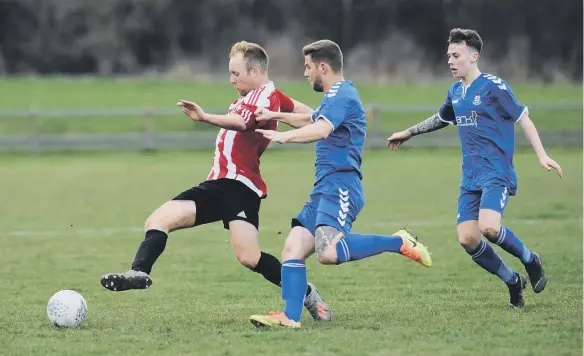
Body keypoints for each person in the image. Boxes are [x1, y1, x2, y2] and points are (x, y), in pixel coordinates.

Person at [100, 41, 332, 322]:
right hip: (219, 185)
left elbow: (243, 123)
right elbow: (310, 115)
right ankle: (139, 273)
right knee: (159, 220)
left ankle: (305, 292)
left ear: (255, 70)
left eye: (235, 73)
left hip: (239, 187)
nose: (231, 79)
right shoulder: (265, 97)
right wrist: (316, 118)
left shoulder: (264, 97)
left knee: (249, 257)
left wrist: (206, 117)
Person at [248, 39, 432, 329]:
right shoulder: (334, 96)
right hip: (323, 187)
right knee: (293, 247)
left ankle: (399, 242)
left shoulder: (343, 95)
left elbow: (320, 129)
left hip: (341, 184)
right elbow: (312, 118)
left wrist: (283, 137)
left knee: (328, 253)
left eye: (308, 67)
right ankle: (290, 317)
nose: (306, 73)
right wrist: (275, 116)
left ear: (323, 66)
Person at [387, 28, 563, 309]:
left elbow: (524, 118)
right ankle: (513, 281)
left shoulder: (494, 86)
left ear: (474, 56)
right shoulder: (455, 91)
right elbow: (442, 118)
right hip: (470, 176)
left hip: (496, 172)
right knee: (468, 239)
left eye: (456, 55)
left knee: (489, 229)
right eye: (448, 56)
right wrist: (408, 133)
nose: (450, 61)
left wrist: (542, 155)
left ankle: (531, 259)